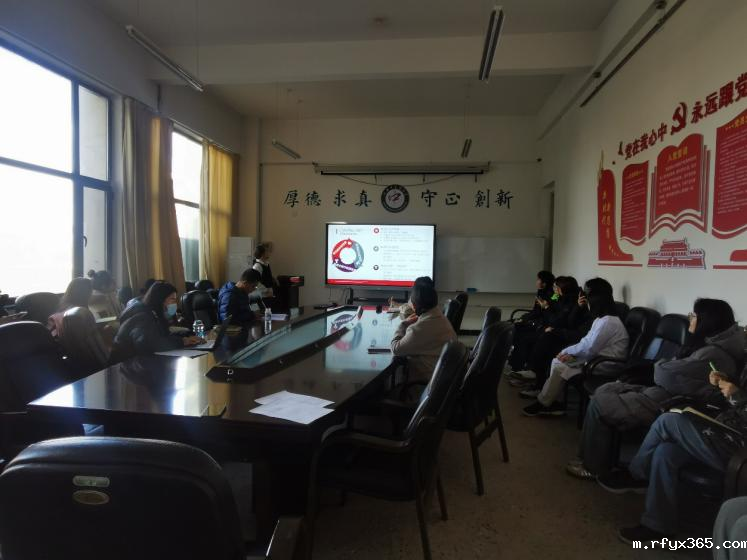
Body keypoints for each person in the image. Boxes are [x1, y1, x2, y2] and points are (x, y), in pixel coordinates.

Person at [568, 298, 743, 479]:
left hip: (673, 402)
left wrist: (662, 365)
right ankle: (596, 459)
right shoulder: (707, 345)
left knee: (601, 402)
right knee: (607, 389)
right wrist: (666, 366)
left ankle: (593, 467)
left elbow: (663, 373)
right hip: (666, 393)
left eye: (694, 315)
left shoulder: (713, 353)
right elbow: (672, 371)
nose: (690, 318)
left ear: (707, 322)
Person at [598, 366, 747, 545]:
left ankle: (636, 475)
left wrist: (737, 396)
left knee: (668, 421)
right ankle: (658, 525)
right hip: (723, 431)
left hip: (740, 451)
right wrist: (725, 382)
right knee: (666, 452)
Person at [523, 278, 628, 417]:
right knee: (558, 361)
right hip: (595, 358)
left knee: (560, 364)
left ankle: (545, 402)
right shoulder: (601, 319)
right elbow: (586, 342)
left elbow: (589, 347)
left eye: (587, 296)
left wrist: (566, 352)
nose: (585, 300)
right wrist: (567, 353)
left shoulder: (609, 322)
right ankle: (552, 401)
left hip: (604, 364)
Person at [111, 281, 202, 362]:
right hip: (125, 364)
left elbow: (162, 335)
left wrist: (185, 336)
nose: (175, 303)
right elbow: (150, 343)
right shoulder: (142, 315)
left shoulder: (153, 313)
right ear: (160, 300)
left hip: (139, 361)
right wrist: (182, 341)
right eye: (172, 299)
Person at [390, 276, 457, 382]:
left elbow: (395, 349)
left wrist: (403, 324)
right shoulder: (439, 317)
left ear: (414, 306)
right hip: (442, 378)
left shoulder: (418, 330)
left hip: (425, 383)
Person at [507, 270, 555, 373]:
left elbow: (547, 313)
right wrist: (523, 318)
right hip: (537, 321)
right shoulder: (541, 292)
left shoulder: (553, 295)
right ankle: (516, 363)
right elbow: (536, 311)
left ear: (544, 283)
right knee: (513, 326)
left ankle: (518, 366)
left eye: (538, 279)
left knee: (521, 335)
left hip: (542, 325)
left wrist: (545, 306)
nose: (536, 282)